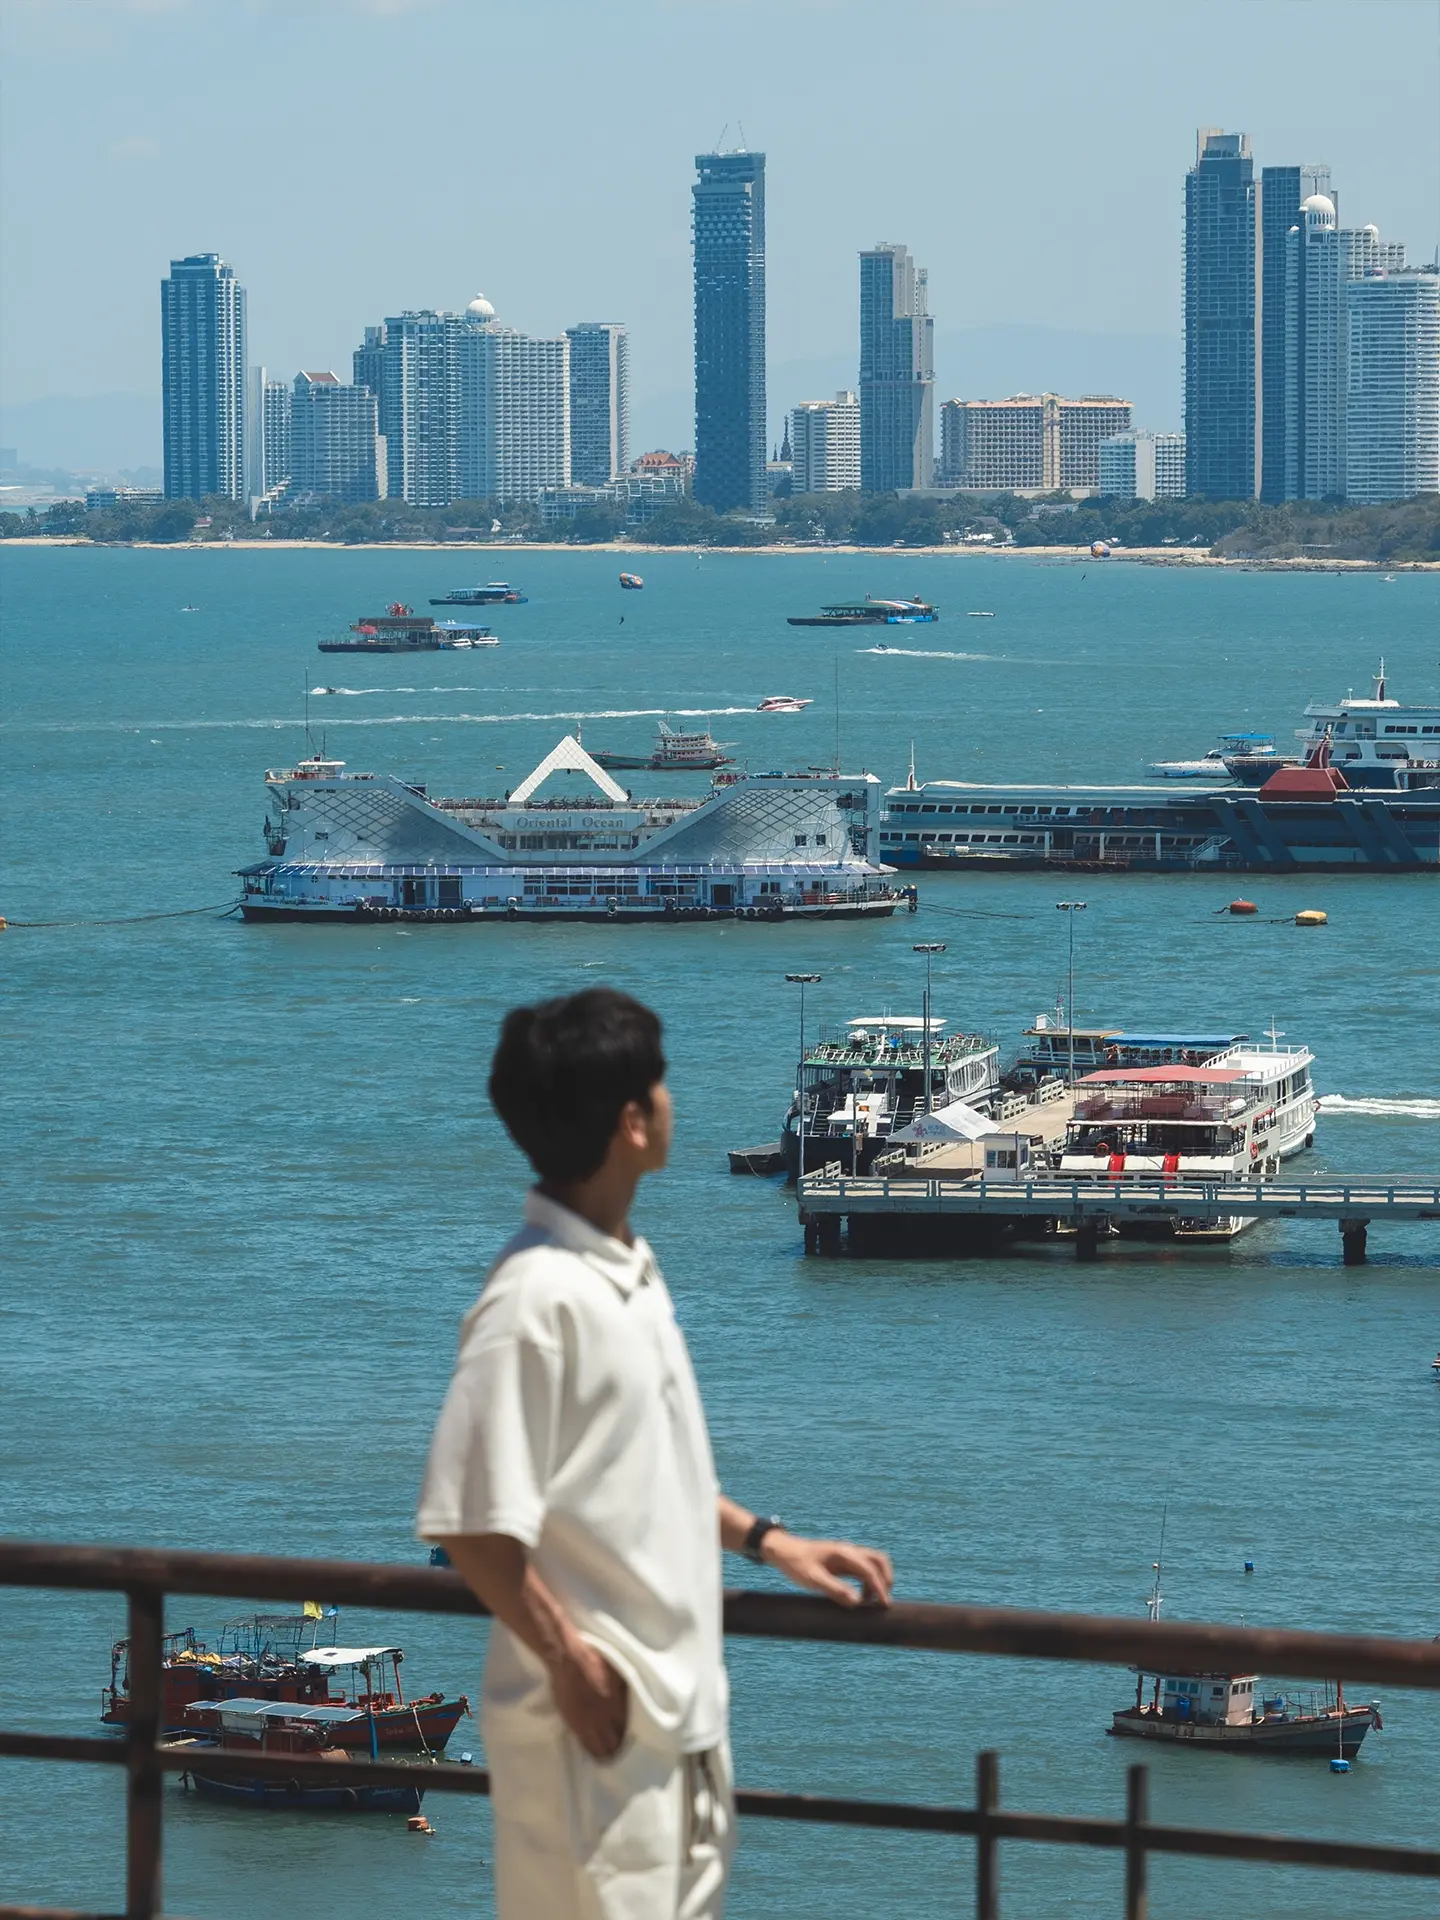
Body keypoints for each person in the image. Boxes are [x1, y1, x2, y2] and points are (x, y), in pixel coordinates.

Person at [417, 988, 892, 1920]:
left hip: (674, 1720)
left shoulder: (623, 1268)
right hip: (592, 1731)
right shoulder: (534, 1300)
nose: (676, 1100)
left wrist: (770, 1542)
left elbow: (642, 1471)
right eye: (663, 1083)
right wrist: (572, 1664)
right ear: (632, 1120)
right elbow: (470, 1524)